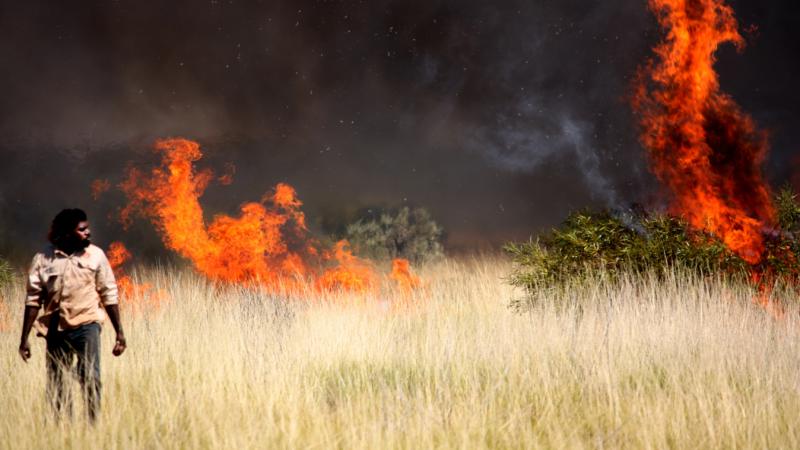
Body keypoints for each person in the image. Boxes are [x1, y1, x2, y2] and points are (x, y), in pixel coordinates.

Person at [18, 208, 126, 422]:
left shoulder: (95, 255)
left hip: (87, 325)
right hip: (55, 330)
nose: (88, 232)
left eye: (87, 228)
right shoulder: (43, 259)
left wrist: (119, 333)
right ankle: (61, 429)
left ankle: (92, 425)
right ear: (67, 233)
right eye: (82, 229)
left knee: (91, 377)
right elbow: (33, 300)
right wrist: (24, 339)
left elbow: (109, 294)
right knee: (57, 382)